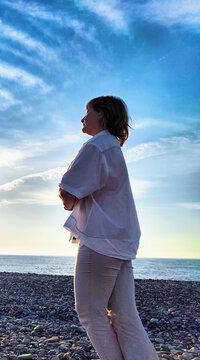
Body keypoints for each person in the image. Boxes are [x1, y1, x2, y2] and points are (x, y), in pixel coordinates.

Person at [58, 96, 158, 360]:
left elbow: (68, 193)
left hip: (101, 239)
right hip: (121, 239)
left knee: (91, 313)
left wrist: (66, 196)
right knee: (125, 316)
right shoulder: (113, 146)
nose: (83, 118)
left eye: (87, 112)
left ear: (101, 115)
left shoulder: (97, 146)